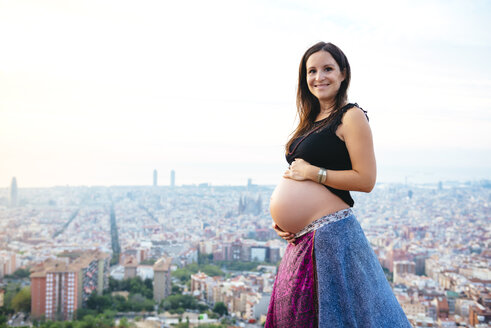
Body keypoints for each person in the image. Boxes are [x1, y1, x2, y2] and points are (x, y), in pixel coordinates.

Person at [265, 42, 411, 327]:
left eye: (328, 69)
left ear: (343, 74)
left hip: (330, 238)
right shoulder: (310, 120)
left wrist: (313, 173)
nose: (319, 77)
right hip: (302, 240)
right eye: (312, 71)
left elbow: (366, 179)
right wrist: (286, 222)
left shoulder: (351, 116)